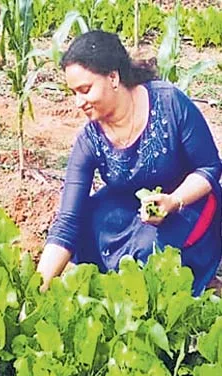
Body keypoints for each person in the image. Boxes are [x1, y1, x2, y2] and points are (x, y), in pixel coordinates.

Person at [37, 30, 221, 296]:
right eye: (73, 93)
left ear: (113, 77)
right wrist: (35, 290)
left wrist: (172, 201)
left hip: (188, 202)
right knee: (85, 224)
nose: (79, 103)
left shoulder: (169, 103)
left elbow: (208, 168)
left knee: (151, 253)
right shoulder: (90, 140)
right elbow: (68, 220)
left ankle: (195, 284)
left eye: (85, 90)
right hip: (131, 209)